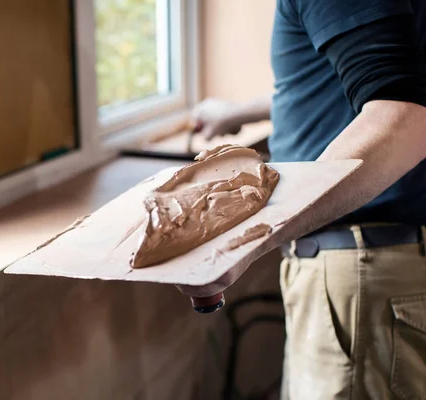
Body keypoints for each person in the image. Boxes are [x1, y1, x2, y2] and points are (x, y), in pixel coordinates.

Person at [182, 1, 426, 399]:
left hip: (366, 280)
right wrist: (237, 112)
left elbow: (403, 115)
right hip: (378, 271)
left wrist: (243, 240)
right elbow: (359, 70)